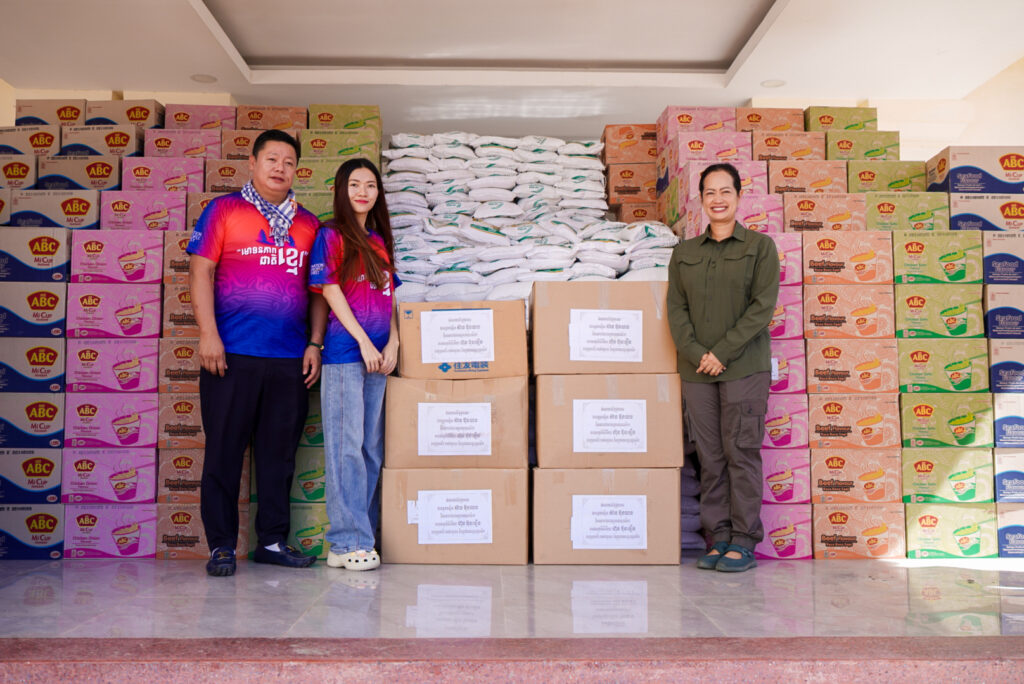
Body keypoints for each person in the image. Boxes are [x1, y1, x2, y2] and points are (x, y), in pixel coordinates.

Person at [188, 129, 327, 577]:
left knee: (278, 457)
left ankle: (271, 541)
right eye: (271, 159)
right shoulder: (224, 210)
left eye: (289, 162)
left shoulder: (309, 224)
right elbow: (200, 271)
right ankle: (221, 546)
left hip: (288, 360)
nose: (280, 168)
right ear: (252, 162)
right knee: (223, 453)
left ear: (297, 170)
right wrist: (208, 334)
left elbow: (320, 290)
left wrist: (315, 343)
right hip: (230, 354)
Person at [666, 162, 780, 573]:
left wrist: (722, 353)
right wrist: (697, 353)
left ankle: (744, 540)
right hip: (697, 370)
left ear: (738, 196)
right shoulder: (684, 254)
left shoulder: (760, 248)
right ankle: (719, 537)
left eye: (725, 191)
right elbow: (676, 310)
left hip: (744, 368)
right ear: (701, 199)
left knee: (741, 452)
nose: (718, 199)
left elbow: (761, 308)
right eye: (710, 192)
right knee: (710, 457)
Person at [308, 158, 400, 572]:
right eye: (354, 185)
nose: (363, 192)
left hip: (380, 359)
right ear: (341, 191)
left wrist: (394, 341)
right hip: (347, 355)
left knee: (370, 451)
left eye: (370, 185)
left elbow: (389, 296)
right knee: (345, 449)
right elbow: (329, 290)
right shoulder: (331, 235)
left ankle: (360, 537)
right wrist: (363, 341)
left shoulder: (379, 241)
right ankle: (348, 541)